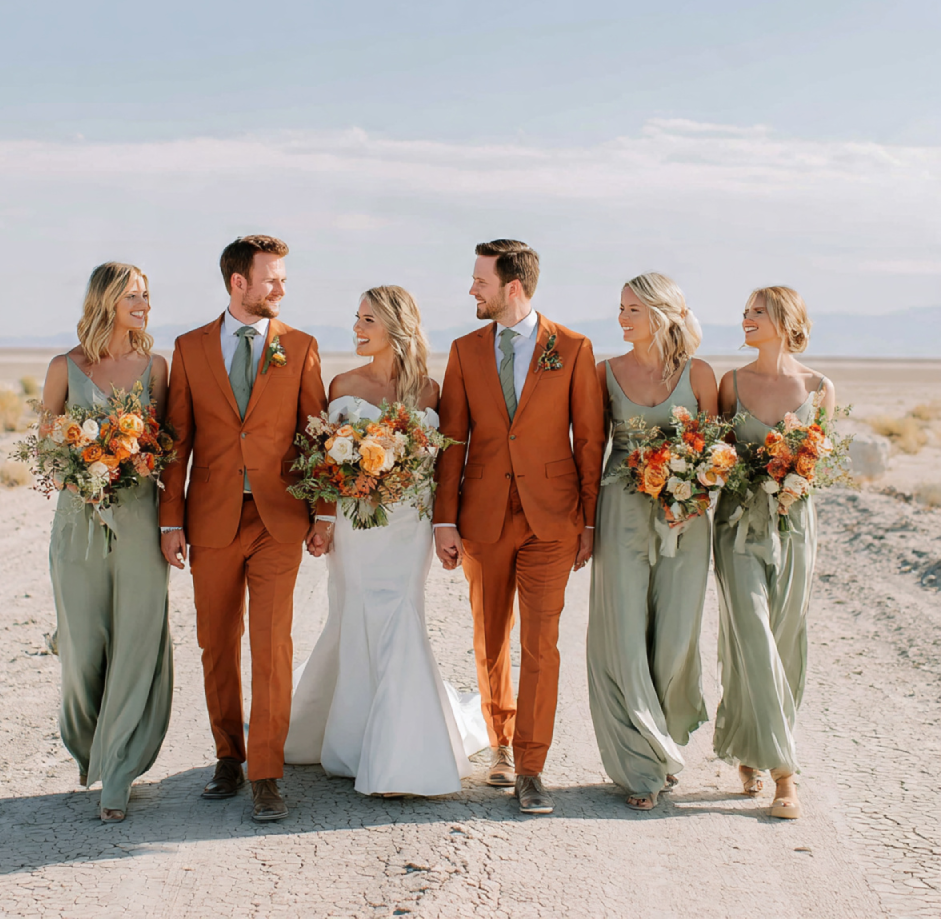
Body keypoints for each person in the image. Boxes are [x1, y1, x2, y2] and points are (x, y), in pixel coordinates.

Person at [285, 287, 489, 794]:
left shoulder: (429, 391)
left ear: (396, 326)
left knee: (400, 611)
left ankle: (402, 750)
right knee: (353, 612)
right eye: (356, 317)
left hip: (409, 524)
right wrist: (325, 519)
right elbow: (327, 463)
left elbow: (444, 467)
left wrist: (446, 524)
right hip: (356, 524)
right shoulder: (341, 385)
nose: (357, 327)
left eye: (368, 319)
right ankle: (353, 738)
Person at [159, 235, 331, 823]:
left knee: (272, 646)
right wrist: (170, 521)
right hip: (210, 518)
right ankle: (227, 757)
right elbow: (177, 441)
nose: (281, 289)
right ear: (239, 283)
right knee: (216, 644)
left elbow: (315, 438)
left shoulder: (301, 346)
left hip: (278, 519)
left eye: (282, 279)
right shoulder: (188, 348)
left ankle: (266, 772)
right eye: (272, 279)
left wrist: (323, 513)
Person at [433, 240, 604, 814]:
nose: (472, 290)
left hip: (552, 519)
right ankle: (500, 741)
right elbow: (453, 440)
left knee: (541, 645)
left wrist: (589, 521)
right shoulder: (463, 350)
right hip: (482, 516)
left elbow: (590, 440)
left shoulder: (574, 348)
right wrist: (444, 518)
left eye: (480, 281)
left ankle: (533, 766)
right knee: (489, 638)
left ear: (513, 287)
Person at [40, 262, 173, 824]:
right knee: (84, 650)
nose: (144, 304)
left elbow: (165, 444)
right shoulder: (64, 367)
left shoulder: (156, 367)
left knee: (137, 642)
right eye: (133, 296)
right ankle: (87, 741)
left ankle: (117, 771)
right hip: (78, 524)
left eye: (146, 294)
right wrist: (79, 470)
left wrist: (131, 462)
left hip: (140, 521)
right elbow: (46, 442)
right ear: (106, 301)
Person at [586, 274, 718, 811]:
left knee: (675, 635)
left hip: (686, 519)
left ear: (663, 314)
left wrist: (691, 498)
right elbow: (590, 450)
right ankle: (641, 767)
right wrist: (583, 525)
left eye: (633, 309)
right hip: (621, 512)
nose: (621, 318)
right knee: (621, 633)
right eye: (620, 307)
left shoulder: (701, 374)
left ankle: (664, 743)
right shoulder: (604, 373)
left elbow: (716, 453)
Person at [713, 286, 835, 820]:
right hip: (737, 526)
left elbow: (820, 461)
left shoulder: (820, 387)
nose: (746, 319)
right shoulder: (729, 383)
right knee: (753, 636)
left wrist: (793, 475)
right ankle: (785, 775)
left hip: (795, 527)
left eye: (757, 312)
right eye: (744, 312)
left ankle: (750, 743)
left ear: (785, 320)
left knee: (783, 642)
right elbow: (716, 453)